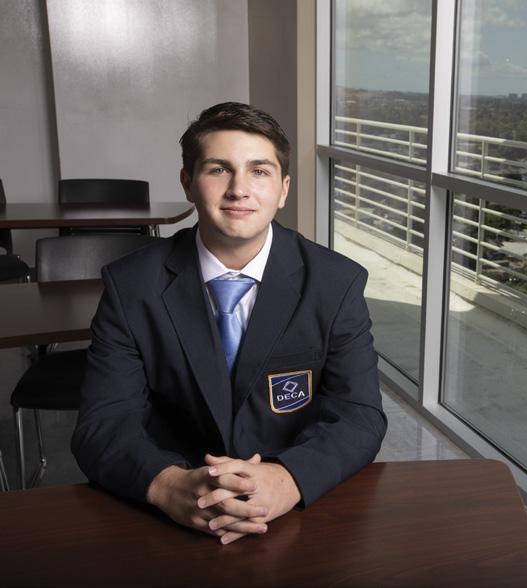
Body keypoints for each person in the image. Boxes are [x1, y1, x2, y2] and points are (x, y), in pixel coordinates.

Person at [71, 102, 386, 545]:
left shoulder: (336, 283)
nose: (239, 189)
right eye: (219, 169)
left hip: (294, 510)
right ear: (188, 183)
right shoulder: (131, 285)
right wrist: (166, 484)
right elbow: (103, 422)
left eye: (259, 171)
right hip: (172, 507)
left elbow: (359, 416)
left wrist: (289, 478)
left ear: (283, 189)